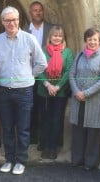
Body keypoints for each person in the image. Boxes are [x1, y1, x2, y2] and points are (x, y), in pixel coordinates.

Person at [0, 6, 47, 175]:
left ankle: (21, 161)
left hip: (24, 92)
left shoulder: (29, 39)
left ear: (19, 20)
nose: (11, 23)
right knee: (7, 127)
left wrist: (28, 76)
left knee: (23, 128)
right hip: (4, 91)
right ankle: (9, 159)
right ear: (2, 22)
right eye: (8, 20)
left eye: (14, 20)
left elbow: (42, 63)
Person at [69, 27, 100, 170]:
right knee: (78, 131)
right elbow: (71, 75)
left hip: (93, 101)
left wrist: (85, 93)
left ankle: (90, 163)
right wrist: (76, 92)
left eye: (95, 39)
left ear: (99, 41)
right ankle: (77, 159)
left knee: (93, 132)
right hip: (77, 100)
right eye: (89, 39)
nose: (92, 42)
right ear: (85, 40)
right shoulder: (79, 55)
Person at [36, 25, 73, 159]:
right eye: (54, 35)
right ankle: (45, 145)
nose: (57, 38)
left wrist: (57, 87)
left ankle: (52, 147)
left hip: (60, 92)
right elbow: (38, 69)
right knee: (45, 119)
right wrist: (47, 85)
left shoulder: (68, 52)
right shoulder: (43, 50)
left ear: (63, 38)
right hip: (44, 91)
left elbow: (69, 71)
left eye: (60, 36)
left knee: (56, 120)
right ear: (50, 37)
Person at [24, 1, 54, 149]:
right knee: (30, 106)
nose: (38, 13)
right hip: (29, 74)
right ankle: (32, 137)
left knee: (45, 107)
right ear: (30, 12)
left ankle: (45, 139)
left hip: (47, 75)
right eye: (35, 10)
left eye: (40, 10)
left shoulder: (51, 29)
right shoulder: (24, 30)